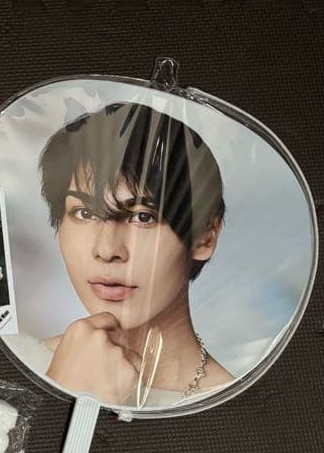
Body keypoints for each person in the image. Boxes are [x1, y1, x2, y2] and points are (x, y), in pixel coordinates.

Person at [35, 102, 232, 406]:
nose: (106, 251)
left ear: (205, 237)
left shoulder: (232, 402)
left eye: (143, 216)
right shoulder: (24, 358)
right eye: (85, 213)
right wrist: (64, 388)